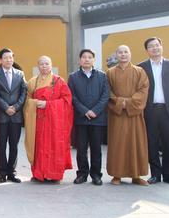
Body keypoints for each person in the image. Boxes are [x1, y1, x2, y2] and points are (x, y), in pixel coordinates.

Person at [138, 37, 169, 186]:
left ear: (161, 47)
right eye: (151, 46)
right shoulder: (141, 67)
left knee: (168, 144)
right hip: (150, 110)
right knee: (151, 143)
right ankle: (155, 175)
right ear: (147, 50)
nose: (155, 48)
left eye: (157, 45)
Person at [24, 56, 73, 183]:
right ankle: (38, 174)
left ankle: (55, 175)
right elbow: (27, 100)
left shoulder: (59, 82)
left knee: (54, 146)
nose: (44, 66)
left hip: (54, 122)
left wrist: (48, 105)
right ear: (38, 66)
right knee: (39, 146)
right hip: (38, 121)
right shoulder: (32, 82)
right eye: (41, 64)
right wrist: (34, 103)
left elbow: (67, 101)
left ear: (51, 65)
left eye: (47, 64)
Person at [106, 45, 150, 186]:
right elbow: (107, 91)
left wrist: (129, 103)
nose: (123, 54)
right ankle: (116, 175)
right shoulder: (110, 72)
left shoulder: (139, 71)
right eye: (120, 52)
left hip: (134, 114)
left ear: (130, 54)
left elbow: (143, 89)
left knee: (136, 142)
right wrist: (119, 103)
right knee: (117, 144)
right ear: (116, 55)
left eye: (126, 52)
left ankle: (136, 175)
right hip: (117, 114)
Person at [67, 49, 109, 186]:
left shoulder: (102, 76)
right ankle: (82, 174)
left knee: (97, 149)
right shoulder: (73, 77)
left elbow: (105, 96)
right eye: (84, 57)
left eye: (90, 57)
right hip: (81, 118)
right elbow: (72, 96)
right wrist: (85, 111)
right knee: (81, 149)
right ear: (80, 60)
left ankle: (96, 175)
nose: (86, 59)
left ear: (93, 60)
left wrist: (95, 111)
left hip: (98, 118)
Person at [0, 48, 27, 183]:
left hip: (16, 116)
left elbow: (24, 93)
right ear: (1, 60)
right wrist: (6, 107)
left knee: (14, 145)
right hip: (2, 115)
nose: (9, 60)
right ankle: (1, 173)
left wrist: (16, 107)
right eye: (5, 58)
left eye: (11, 57)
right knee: (1, 145)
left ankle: (12, 172)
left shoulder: (20, 74)